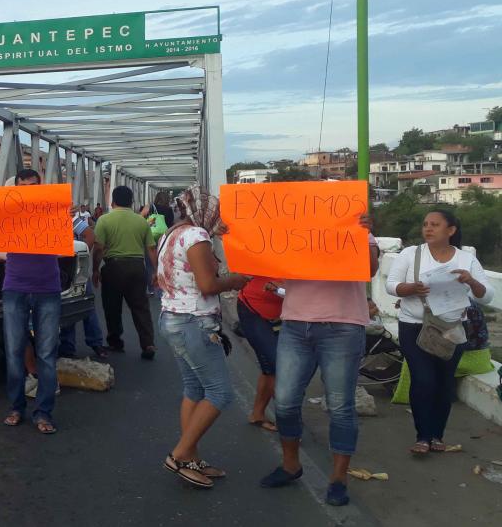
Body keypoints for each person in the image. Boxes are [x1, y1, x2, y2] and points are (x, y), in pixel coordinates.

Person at [260, 211, 380, 507]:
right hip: (296, 324)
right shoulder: (292, 231)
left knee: (340, 404)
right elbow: (260, 255)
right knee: (285, 401)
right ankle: (291, 465)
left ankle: (338, 479)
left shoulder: (360, 231)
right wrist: (234, 234)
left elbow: (370, 269)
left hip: (342, 325)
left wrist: (366, 238)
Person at [158, 187, 250, 488]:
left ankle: (191, 457)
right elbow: (208, 284)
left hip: (173, 318)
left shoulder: (171, 234)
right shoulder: (197, 236)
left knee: (194, 389)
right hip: (194, 322)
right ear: (205, 211)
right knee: (220, 392)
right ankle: (179, 454)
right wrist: (235, 281)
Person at [0, 169, 63, 433]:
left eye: (33, 185)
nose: (28, 189)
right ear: (14, 188)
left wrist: (66, 216)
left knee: (47, 355)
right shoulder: (6, 214)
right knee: (15, 352)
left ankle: (44, 413)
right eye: (23, 185)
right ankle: (16, 407)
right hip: (15, 287)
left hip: (47, 288)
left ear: (41, 187)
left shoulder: (53, 211)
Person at [385, 210, 494, 455]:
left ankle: (437, 435)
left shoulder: (466, 260)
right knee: (423, 379)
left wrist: (471, 282)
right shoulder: (411, 254)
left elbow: (486, 294)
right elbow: (391, 285)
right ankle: (422, 436)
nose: (428, 229)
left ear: (451, 230)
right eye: (425, 224)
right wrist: (410, 288)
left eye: (435, 224)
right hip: (414, 325)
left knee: (445, 382)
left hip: (453, 328)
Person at [93, 185, 157, 358]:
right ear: (131, 202)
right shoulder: (140, 221)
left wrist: (95, 271)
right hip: (137, 267)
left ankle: (115, 342)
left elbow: (98, 248)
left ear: (112, 201)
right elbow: (151, 248)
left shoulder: (104, 220)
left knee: (112, 307)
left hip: (113, 267)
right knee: (141, 307)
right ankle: (148, 344)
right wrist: (156, 271)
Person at [237, 277, 284, 432]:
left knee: (271, 367)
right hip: (253, 309)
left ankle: (257, 414)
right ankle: (289, 421)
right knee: (279, 365)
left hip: (286, 313)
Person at [58, 215, 109, 360]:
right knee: (74, 304)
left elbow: (90, 235)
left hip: (69, 269)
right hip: (65, 269)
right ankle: (84, 344)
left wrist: (79, 258)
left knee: (79, 304)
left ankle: (73, 345)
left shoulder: (67, 217)